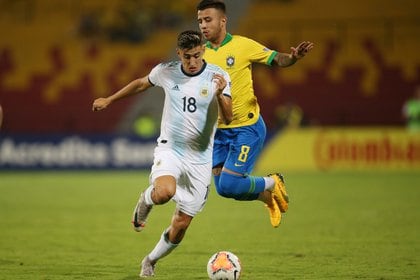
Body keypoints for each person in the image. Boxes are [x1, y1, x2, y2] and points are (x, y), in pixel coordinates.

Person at [92, 30, 233, 278]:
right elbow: (140, 83)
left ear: (204, 51)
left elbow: (229, 117)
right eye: (187, 56)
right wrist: (110, 99)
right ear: (179, 53)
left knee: (180, 225)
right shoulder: (166, 71)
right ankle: (146, 199)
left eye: (197, 56)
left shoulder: (219, 77)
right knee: (164, 193)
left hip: (200, 159)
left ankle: (150, 259)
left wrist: (220, 95)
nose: (192, 62)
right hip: (171, 150)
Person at [197, 0, 314, 227]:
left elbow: (276, 58)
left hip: (246, 129)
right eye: (200, 21)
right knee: (223, 189)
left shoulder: (243, 45)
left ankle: (271, 182)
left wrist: (293, 58)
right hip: (219, 131)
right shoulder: (200, 55)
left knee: (231, 184)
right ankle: (267, 198)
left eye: (208, 20)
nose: (203, 25)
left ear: (223, 21)